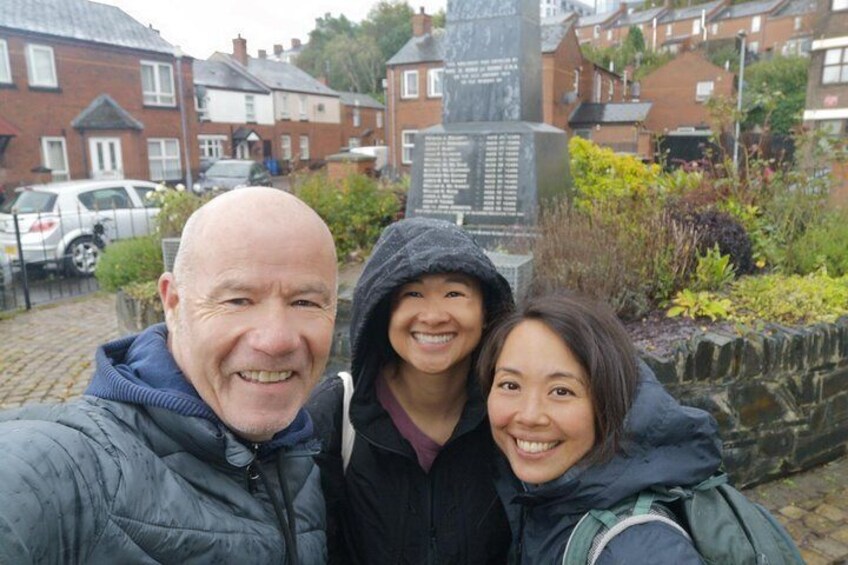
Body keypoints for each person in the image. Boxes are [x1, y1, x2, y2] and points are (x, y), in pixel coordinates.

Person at [0, 187, 336, 564]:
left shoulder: (310, 454)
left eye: (305, 302)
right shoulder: (79, 467)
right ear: (172, 303)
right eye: (237, 300)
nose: (277, 340)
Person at [307, 217, 514, 564]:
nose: (433, 316)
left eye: (454, 293)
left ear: (485, 311)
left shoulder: (511, 411)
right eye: (413, 293)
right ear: (382, 310)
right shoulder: (334, 413)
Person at [477, 292, 723, 564]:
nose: (529, 415)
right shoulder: (542, 489)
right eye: (510, 385)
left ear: (608, 401)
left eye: (561, 391)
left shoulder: (638, 552)